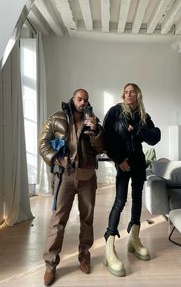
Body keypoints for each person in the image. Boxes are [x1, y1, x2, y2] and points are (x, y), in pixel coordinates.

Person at [39, 88, 104, 286]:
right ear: (73, 99)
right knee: (58, 220)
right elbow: (43, 144)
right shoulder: (57, 117)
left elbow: (101, 148)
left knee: (87, 218)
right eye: (79, 98)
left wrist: (96, 131)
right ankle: (50, 265)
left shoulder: (92, 120)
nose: (83, 102)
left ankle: (84, 256)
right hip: (64, 176)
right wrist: (58, 158)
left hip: (87, 177)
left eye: (86, 100)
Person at [103, 83, 161, 277]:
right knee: (120, 200)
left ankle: (134, 239)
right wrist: (119, 160)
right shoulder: (115, 112)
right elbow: (106, 139)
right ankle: (109, 244)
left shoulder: (143, 116)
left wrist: (137, 129)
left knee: (137, 198)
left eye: (132, 92)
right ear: (123, 95)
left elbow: (155, 137)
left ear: (138, 95)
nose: (129, 94)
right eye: (126, 92)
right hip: (122, 161)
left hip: (138, 161)